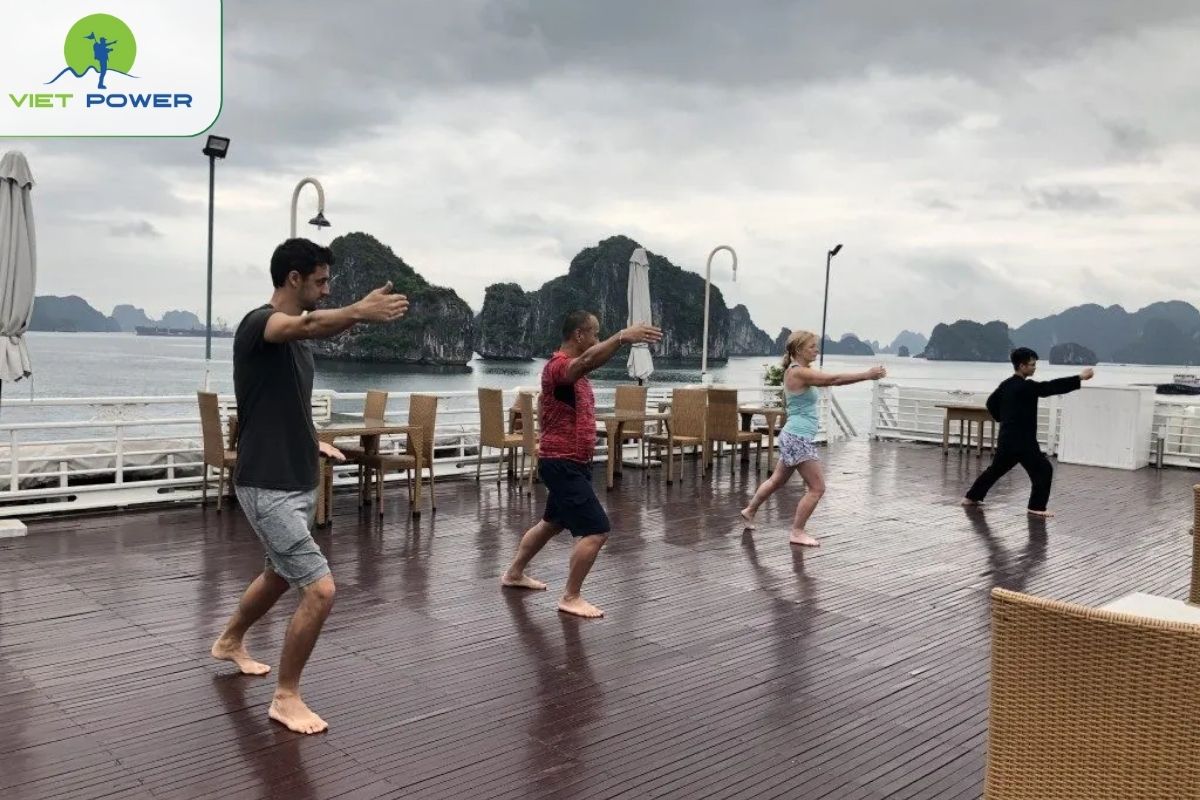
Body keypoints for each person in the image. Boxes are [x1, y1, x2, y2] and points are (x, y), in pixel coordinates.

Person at [210, 238, 408, 734]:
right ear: (293, 279)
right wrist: (359, 312)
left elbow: (282, 402)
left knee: (279, 574)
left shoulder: (296, 348)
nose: (327, 288)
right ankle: (285, 696)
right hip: (266, 481)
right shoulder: (262, 325)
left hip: (298, 477)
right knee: (319, 590)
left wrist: (314, 439)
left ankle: (231, 640)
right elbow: (305, 323)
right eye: (320, 280)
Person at [501, 310, 662, 618]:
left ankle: (514, 573)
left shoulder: (569, 374)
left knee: (551, 523)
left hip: (568, 461)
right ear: (579, 335)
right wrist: (620, 338)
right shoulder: (560, 368)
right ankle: (571, 596)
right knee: (596, 530)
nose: (597, 339)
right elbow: (585, 361)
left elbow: (546, 404)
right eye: (595, 334)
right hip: (563, 462)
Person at [740, 330, 886, 546]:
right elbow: (834, 379)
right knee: (817, 488)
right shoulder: (798, 372)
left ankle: (750, 510)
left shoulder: (796, 371)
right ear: (799, 350)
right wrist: (867, 374)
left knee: (776, 481)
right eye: (812, 346)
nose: (816, 350)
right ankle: (797, 532)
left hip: (793, 435)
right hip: (798, 438)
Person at [963, 347, 1093, 517]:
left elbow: (991, 403)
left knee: (995, 470)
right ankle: (1037, 507)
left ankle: (971, 498)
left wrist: (1004, 420)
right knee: (1043, 470)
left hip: (1007, 438)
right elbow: (1050, 387)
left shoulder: (1006, 385)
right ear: (1022, 366)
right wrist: (1080, 377)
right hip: (1023, 441)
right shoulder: (1027, 387)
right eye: (1032, 365)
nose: (1034, 368)